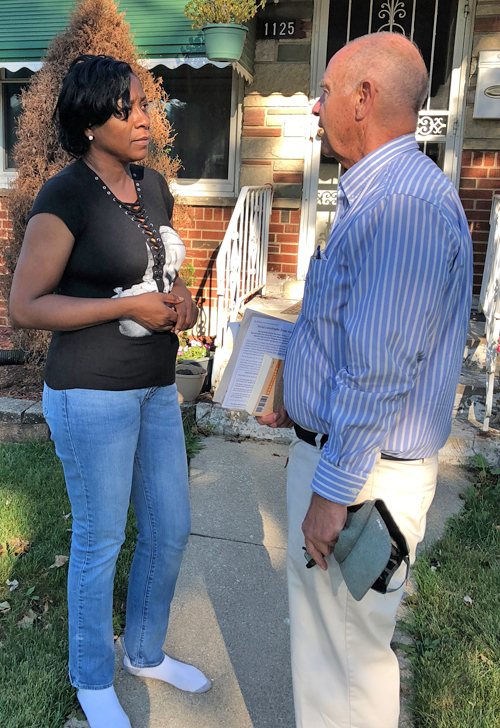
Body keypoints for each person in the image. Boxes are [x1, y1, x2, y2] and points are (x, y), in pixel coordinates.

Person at [258, 33, 472, 728]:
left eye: (324, 93)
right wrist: (290, 390)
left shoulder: (400, 207)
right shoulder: (378, 196)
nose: (315, 109)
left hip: (361, 473)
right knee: (335, 659)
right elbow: (346, 327)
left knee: (343, 668)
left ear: (365, 97)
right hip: (348, 459)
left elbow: (378, 373)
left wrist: (332, 492)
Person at [9, 55, 210, 728]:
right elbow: (27, 305)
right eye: (133, 108)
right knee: (100, 540)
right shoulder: (65, 197)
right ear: (94, 120)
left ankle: (145, 652)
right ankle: (91, 674)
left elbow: (157, 269)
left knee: (170, 528)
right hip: (91, 391)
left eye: (149, 105)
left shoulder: (152, 187)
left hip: (154, 385)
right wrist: (119, 310)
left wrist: (177, 301)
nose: (149, 119)